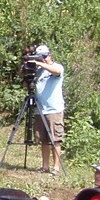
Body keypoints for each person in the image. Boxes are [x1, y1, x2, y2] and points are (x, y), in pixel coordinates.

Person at [30, 44, 65, 173]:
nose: (42, 59)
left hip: (53, 110)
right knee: (44, 139)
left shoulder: (57, 67)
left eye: (43, 57)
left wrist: (40, 64)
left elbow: (57, 72)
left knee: (55, 139)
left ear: (49, 55)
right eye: (40, 57)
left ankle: (56, 167)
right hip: (40, 109)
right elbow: (27, 85)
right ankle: (45, 166)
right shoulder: (38, 71)